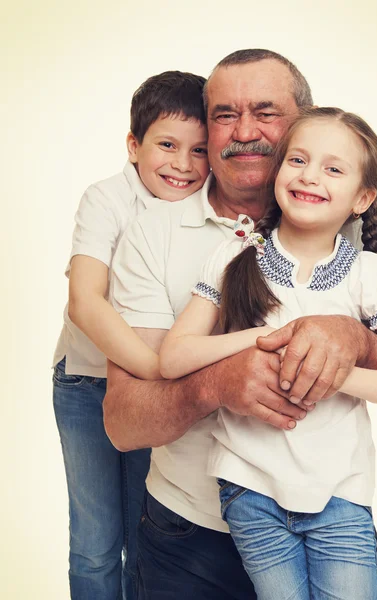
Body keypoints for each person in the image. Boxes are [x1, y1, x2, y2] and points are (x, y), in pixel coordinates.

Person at [105, 49, 377, 599]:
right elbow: (125, 425)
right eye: (224, 114)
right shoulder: (154, 235)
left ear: (303, 123)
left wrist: (350, 336)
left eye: (265, 112)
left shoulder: (341, 221)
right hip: (188, 532)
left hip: (329, 510)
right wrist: (220, 380)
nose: (244, 131)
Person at [158, 106, 377, 600]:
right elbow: (173, 358)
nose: (310, 177)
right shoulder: (235, 257)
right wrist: (274, 337)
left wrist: (331, 368)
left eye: (333, 169)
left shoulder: (372, 275)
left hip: (341, 492)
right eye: (298, 160)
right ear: (278, 171)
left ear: (362, 198)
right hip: (249, 486)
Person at [52, 70, 209, 600]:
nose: (184, 165)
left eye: (200, 150)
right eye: (167, 145)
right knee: (96, 543)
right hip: (87, 383)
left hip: (155, 393)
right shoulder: (105, 199)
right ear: (133, 145)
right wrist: (164, 370)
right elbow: (86, 301)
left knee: (151, 535)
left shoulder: (208, 212)